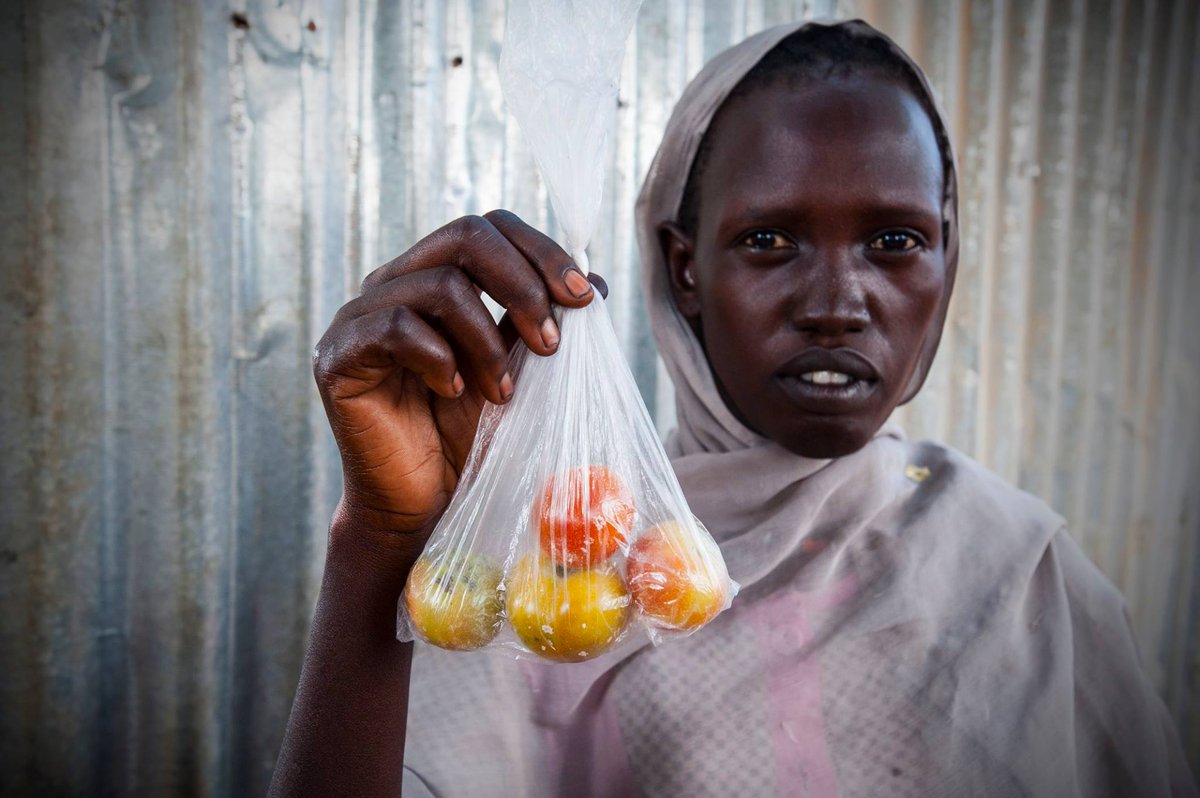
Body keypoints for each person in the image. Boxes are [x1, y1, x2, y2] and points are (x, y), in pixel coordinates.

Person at [269, 19, 1196, 798]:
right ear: (686, 269)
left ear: (949, 262)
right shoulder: (564, 564)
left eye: (897, 239)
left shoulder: (1014, 569)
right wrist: (380, 541)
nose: (837, 301)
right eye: (767, 239)